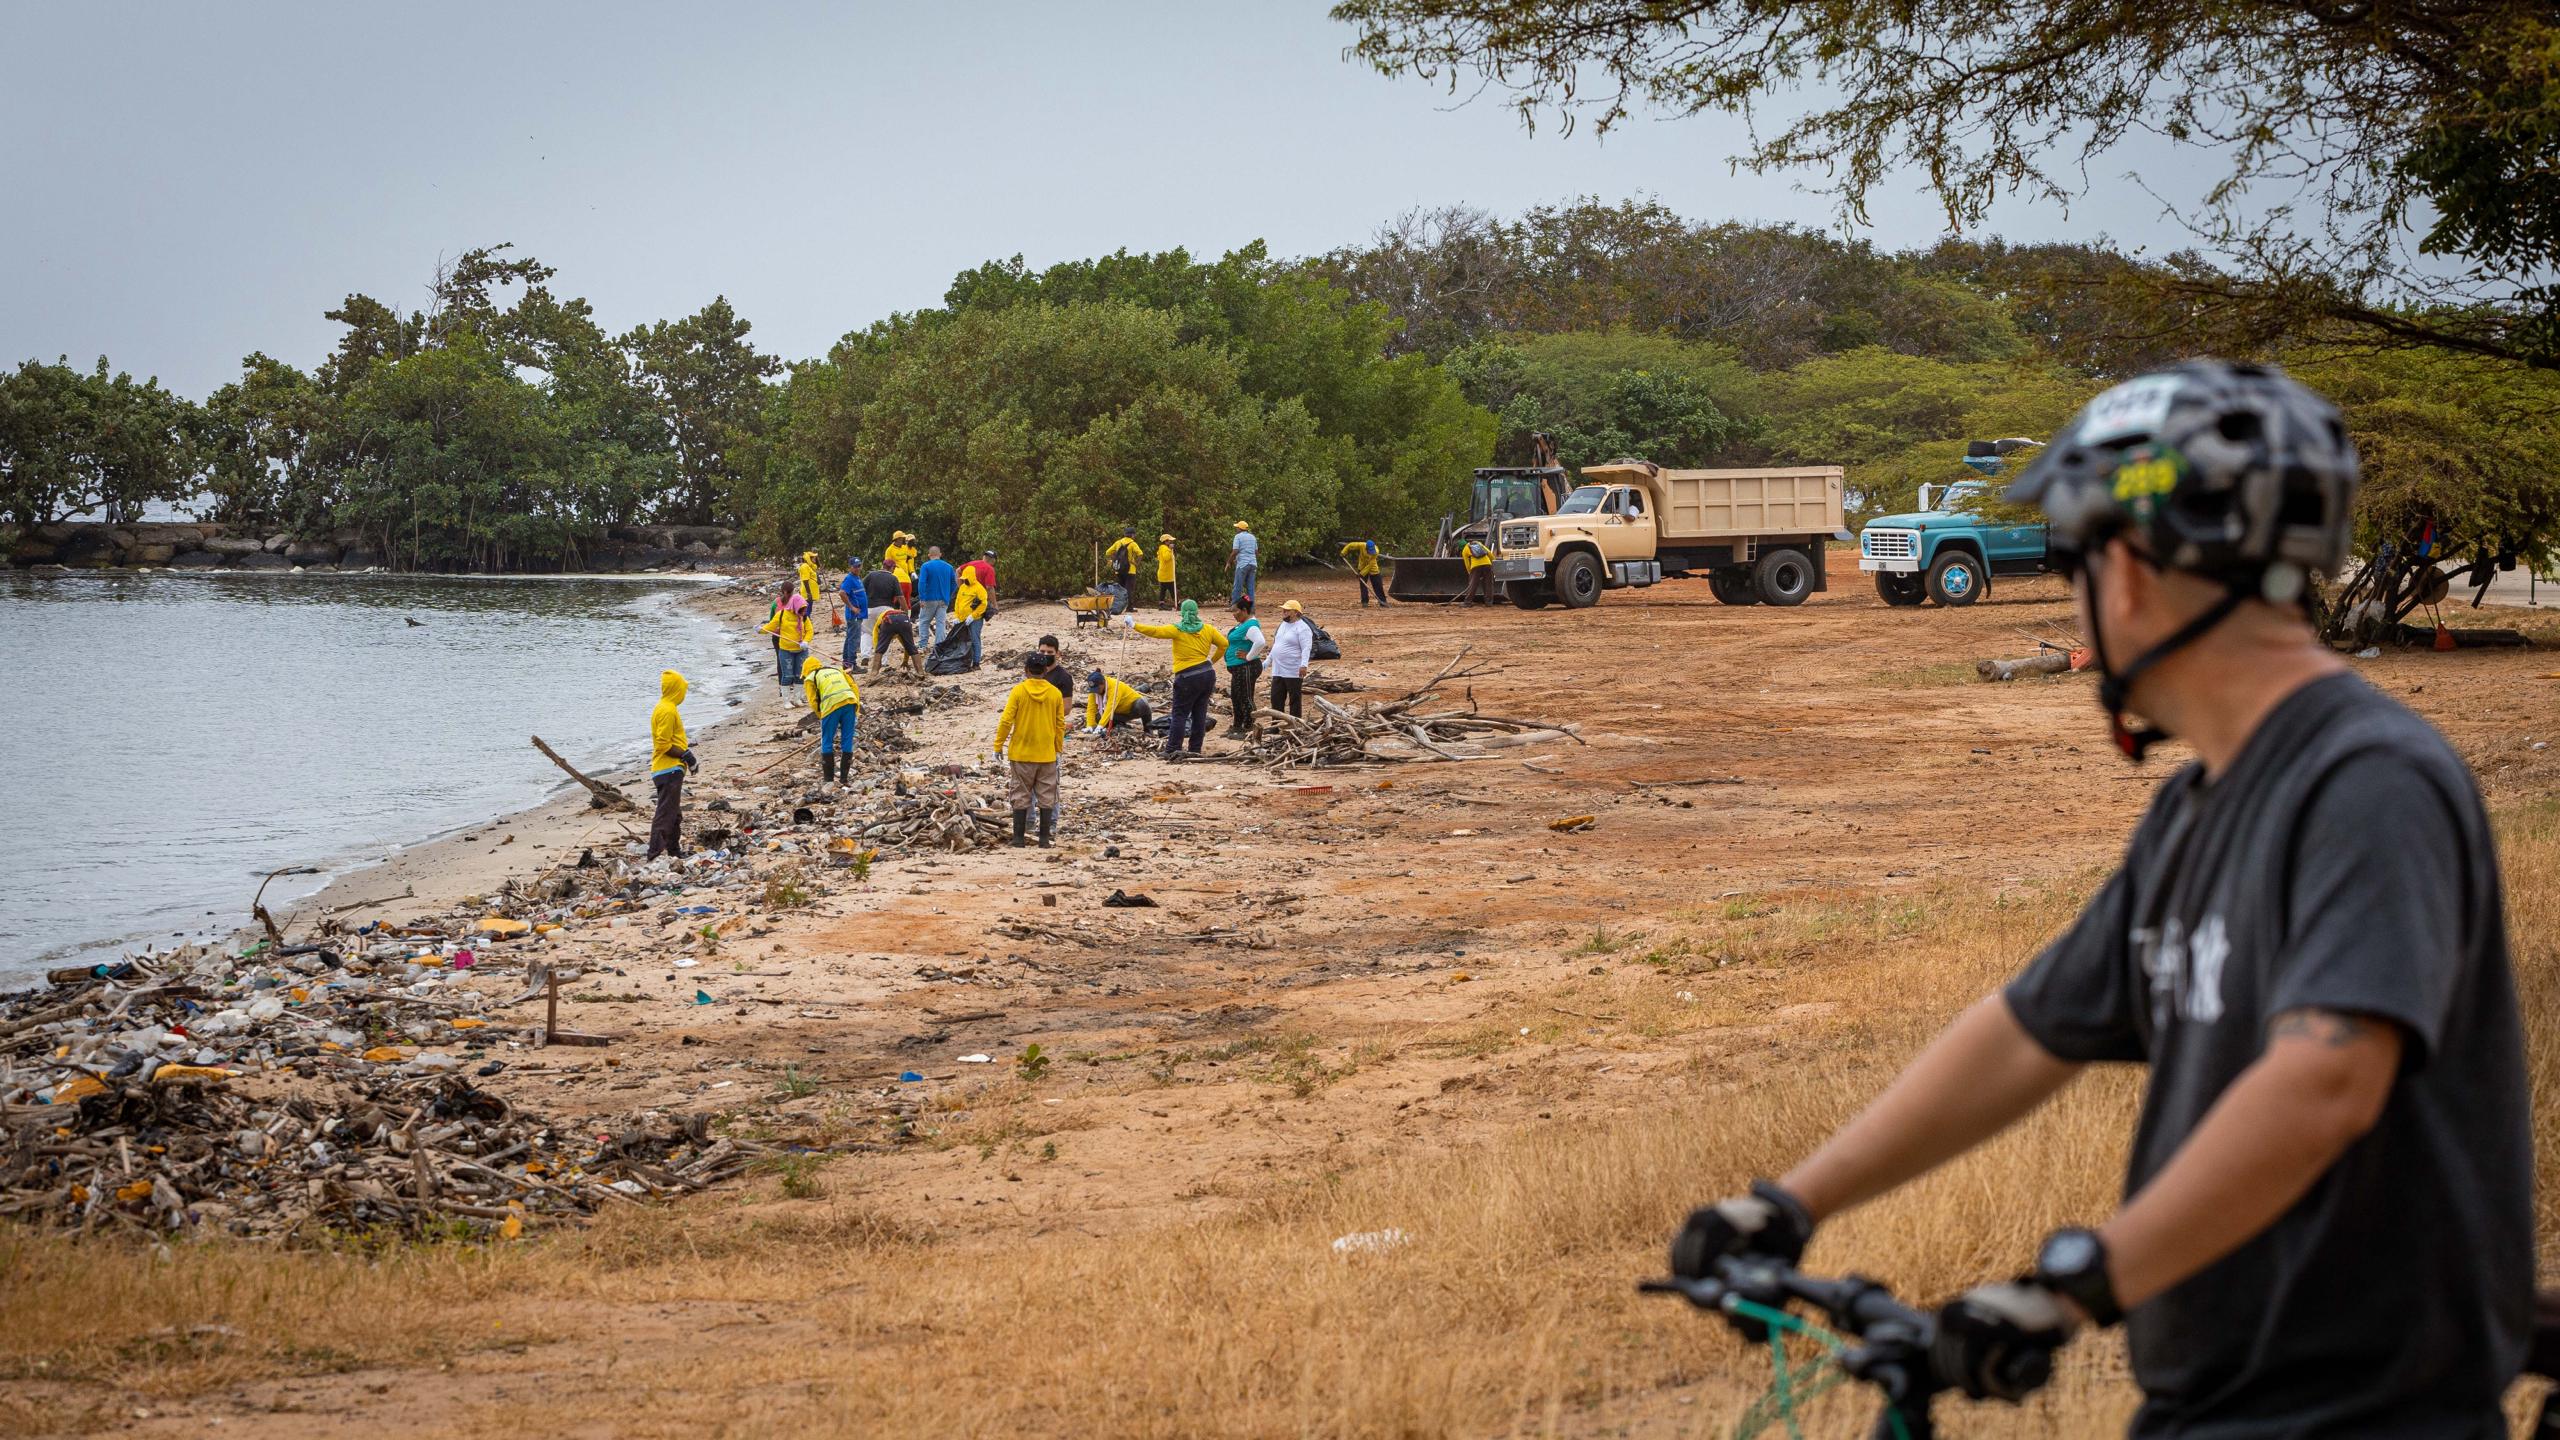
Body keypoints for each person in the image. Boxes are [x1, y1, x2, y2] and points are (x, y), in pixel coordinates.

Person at [1665, 361, 2529, 1436]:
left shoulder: (2365, 782)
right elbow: (2026, 1033)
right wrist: (1790, 1203)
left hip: (2357, 1413)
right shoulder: (2199, 809)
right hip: (2213, 1406)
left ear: (2122, 572)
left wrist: (2070, 1289)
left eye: (2073, 562)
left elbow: (2326, 1081)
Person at [1123, 601, 1226, 760]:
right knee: (1200, 713)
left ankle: (1172, 749)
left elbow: (1155, 631)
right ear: (1196, 612)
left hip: (1187, 677)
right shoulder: (1208, 629)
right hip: (1207, 674)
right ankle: (1195, 748)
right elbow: (1224, 644)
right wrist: (1212, 661)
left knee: (1180, 714)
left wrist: (1134, 624)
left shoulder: (1178, 629)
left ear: (1183, 613)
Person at [992, 651, 1068, 848]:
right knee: (1046, 796)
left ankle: (1018, 839)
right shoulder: (1055, 693)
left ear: (1026, 671)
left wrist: (998, 745)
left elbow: (1006, 720)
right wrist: (1058, 749)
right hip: (1047, 753)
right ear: (1045, 670)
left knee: (1020, 794)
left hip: (1021, 753)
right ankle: (1044, 839)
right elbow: (1060, 725)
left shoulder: (1019, 691)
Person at [646, 669, 698, 860]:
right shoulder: (667, 710)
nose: (684, 694)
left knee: (674, 814)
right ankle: (654, 854)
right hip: (667, 768)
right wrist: (687, 755)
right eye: (682, 689)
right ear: (676, 690)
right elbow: (663, 744)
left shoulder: (666, 707)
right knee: (665, 814)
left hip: (668, 768)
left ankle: (674, 851)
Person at [801, 656, 861, 784]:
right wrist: (856, 707)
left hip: (831, 707)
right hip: (850, 702)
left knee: (827, 740)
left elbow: (813, 701)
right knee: (847, 739)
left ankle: (828, 780)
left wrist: (821, 714)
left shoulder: (811, 678)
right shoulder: (837, 670)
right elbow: (853, 686)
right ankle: (844, 778)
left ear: (806, 670)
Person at [1220, 597, 1267, 737]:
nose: (1233, 614)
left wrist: (1248, 656)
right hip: (1238, 667)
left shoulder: (1251, 625)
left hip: (1246, 666)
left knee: (1245, 697)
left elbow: (1260, 642)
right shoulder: (1242, 624)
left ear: (1245, 610)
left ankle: (1248, 727)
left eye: (1236, 611)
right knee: (1236, 696)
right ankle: (1237, 726)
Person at [1266, 599, 1313, 718]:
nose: (1284, 612)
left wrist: (1304, 665)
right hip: (1278, 669)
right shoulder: (1282, 625)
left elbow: (1306, 648)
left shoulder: (1303, 628)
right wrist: (1267, 661)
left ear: (1296, 612)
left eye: (1287, 610)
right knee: (1276, 699)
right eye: (1283, 609)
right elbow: (1276, 644)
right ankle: (1275, 726)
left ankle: (1295, 726)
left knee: (1294, 700)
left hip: (1293, 670)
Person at [758, 592, 813, 690]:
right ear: (795, 607)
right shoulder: (782, 614)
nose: (804, 612)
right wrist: (760, 630)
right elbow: (770, 627)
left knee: (799, 676)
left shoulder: (804, 617)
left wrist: (806, 641)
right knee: (787, 676)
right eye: (802, 610)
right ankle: (786, 701)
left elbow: (809, 631)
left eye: (805, 610)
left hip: (801, 650)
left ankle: (798, 699)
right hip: (786, 650)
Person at [1082, 668, 1152, 734]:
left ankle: (1148, 729)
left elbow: (1110, 707)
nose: (1096, 691)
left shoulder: (1114, 687)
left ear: (1103, 683)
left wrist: (1100, 726)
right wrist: (1090, 725)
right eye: (1094, 689)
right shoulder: (1094, 691)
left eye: (1098, 688)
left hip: (1133, 709)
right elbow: (1091, 708)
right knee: (1098, 717)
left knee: (1141, 704)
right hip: (1119, 714)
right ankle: (1122, 726)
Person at [914, 545, 957, 648]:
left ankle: (923, 644)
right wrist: (948, 594)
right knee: (940, 623)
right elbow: (954, 583)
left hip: (929, 599)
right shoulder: (949, 567)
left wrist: (922, 598)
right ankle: (939, 646)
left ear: (929, 555)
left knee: (924, 621)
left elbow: (922, 582)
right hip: (944, 599)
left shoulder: (926, 566)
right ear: (940, 555)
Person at [869, 598, 921, 677]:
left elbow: (877, 645)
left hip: (888, 620)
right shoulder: (900, 635)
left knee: (880, 648)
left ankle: (874, 672)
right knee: (911, 647)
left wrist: (878, 662)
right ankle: (920, 671)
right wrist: (905, 661)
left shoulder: (877, 627)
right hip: (904, 620)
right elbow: (908, 647)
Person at [952, 567, 990, 670]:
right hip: (963, 619)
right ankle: (967, 661)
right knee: (965, 640)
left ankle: (976, 663)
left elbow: (983, 603)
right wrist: (958, 617)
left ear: (972, 577)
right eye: (963, 578)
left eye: (966, 578)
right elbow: (958, 602)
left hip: (975, 619)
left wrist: (973, 616)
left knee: (974, 639)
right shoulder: (963, 587)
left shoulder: (979, 588)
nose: (965, 580)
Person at [837, 556, 872, 667]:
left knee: (850, 638)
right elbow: (842, 593)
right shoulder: (849, 579)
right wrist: (852, 607)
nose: (857, 568)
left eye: (859, 566)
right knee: (854, 639)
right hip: (854, 615)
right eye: (855, 566)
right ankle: (852, 664)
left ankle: (847, 663)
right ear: (850, 567)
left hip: (859, 614)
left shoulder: (857, 578)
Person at [1340, 539, 1391, 606]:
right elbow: (1350, 545)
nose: (1370, 552)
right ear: (1366, 548)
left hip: (1372, 567)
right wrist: (1343, 552)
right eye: (1369, 551)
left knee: (1378, 584)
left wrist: (1361, 574)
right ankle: (1364, 602)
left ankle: (1383, 601)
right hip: (1362, 566)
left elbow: (1370, 565)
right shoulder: (1362, 545)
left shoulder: (1376, 551)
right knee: (1363, 585)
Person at [1034, 634, 1074, 710]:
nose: (1045, 654)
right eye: (1042, 651)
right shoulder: (1034, 672)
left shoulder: (1064, 677)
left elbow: (1066, 708)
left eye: (1049, 652)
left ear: (1057, 653)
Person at [1105, 528, 1143, 601]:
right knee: (1129, 589)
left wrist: (1114, 559)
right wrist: (1136, 563)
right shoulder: (1133, 544)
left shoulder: (1118, 542)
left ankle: (1121, 606)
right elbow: (1140, 554)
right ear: (1132, 535)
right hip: (1130, 569)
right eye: (1134, 534)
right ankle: (1129, 607)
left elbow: (1108, 552)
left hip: (1119, 569)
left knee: (1120, 589)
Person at [1229, 520, 1258, 606]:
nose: (1236, 529)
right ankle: (1251, 607)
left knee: (1238, 586)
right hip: (1253, 564)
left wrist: (1229, 561)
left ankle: (1234, 606)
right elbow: (1256, 552)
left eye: (1237, 527)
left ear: (1240, 529)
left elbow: (1235, 551)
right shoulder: (1253, 537)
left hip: (1242, 564)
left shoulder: (1238, 537)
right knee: (1250, 587)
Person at [886, 532, 918, 608]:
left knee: (906, 598)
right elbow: (887, 564)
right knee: (896, 598)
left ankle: (906, 616)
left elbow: (911, 557)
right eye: (902, 538)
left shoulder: (904, 548)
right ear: (897, 539)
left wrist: (912, 572)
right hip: (895, 576)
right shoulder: (890, 550)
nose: (904, 540)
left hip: (905, 575)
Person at [962, 550, 997, 617]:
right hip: (978, 599)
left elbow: (958, 571)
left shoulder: (972, 563)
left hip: (966, 597)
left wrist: (961, 587)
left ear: (983, 557)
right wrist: (995, 605)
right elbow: (989, 588)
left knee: (965, 619)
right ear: (993, 560)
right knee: (976, 620)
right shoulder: (989, 568)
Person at [1459, 537, 1493, 605]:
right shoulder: (1478, 543)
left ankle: (1467, 602)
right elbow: (1489, 552)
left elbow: (1467, 564)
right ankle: (1488, 602)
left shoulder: (1464, 550)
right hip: (1487, 564)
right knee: (1488, 584)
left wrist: (1470, 572)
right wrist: (1492, 561)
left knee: (1473, 585)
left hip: (1476, 566)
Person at [795, 550, 825, 617]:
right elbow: (805, 580)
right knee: (807, 610)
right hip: (807, 593)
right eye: (813, 558)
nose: (815, 559)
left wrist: (818, 565)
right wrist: (809, 593)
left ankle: (806, 622)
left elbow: (818, 581)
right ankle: (805, 622)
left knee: (809, 609)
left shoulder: (810, 567)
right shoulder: (804, 566)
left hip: (811, 592)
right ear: (809, 559)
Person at [1155, 532, 1178, 608]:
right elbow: (1166, 558)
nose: (1171, 542)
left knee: (1163, 590)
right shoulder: (1164, 548)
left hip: (1166, 573)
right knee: (1172, 590)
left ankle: (1161, 604)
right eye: (1169, 541)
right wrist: (1170, 549)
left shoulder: (1163, 548)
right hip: (1166, 574)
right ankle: (1177, 603)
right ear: (1166, 541)